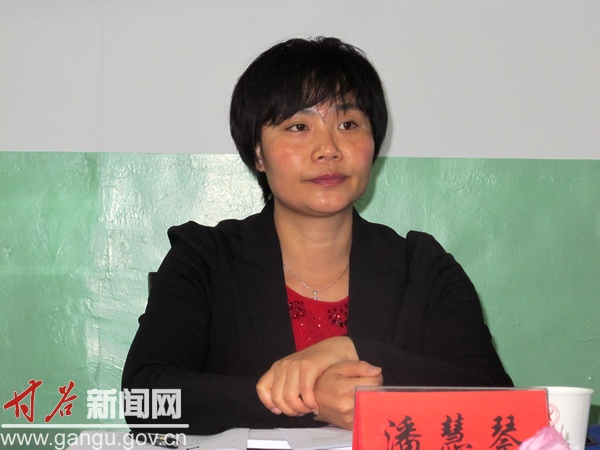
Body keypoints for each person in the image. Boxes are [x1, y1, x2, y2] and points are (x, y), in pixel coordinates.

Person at [122, 36, 512, 435]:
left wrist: (353, 350)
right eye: (298, 126)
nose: (328, 149)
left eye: (348, 124)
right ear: (258, 153)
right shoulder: (205, 259)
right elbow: (145, 399)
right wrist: (311, 400)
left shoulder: (424, 269)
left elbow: (498, 402)